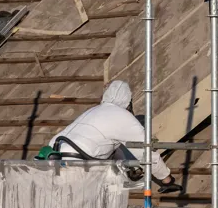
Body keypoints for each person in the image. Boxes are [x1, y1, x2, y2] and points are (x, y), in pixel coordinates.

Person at [49, 80, 182, 194]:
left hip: (51, 157)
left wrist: (127, 170)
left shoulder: (94, 111)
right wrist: (166, 179)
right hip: (76, 164)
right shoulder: (123, 117)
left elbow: (112, 148)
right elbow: (146, 152)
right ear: (128, 102)